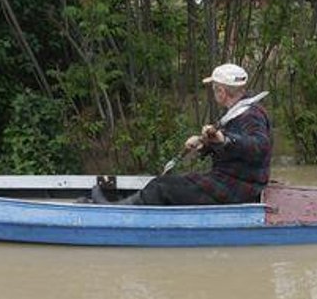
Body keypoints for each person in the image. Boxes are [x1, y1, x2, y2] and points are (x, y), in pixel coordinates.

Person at [91, 63, 272, 205]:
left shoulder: (251, 115)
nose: (214, 92)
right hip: (233, 181)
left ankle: (113, 210)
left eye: (214, 88)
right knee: (171, 182)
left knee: (161, 186)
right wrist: (205, 144)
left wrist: (225, 139)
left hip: (239, 186)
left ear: (221, 92)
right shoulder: (236, 111)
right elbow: (232, 149)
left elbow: (259, 146)